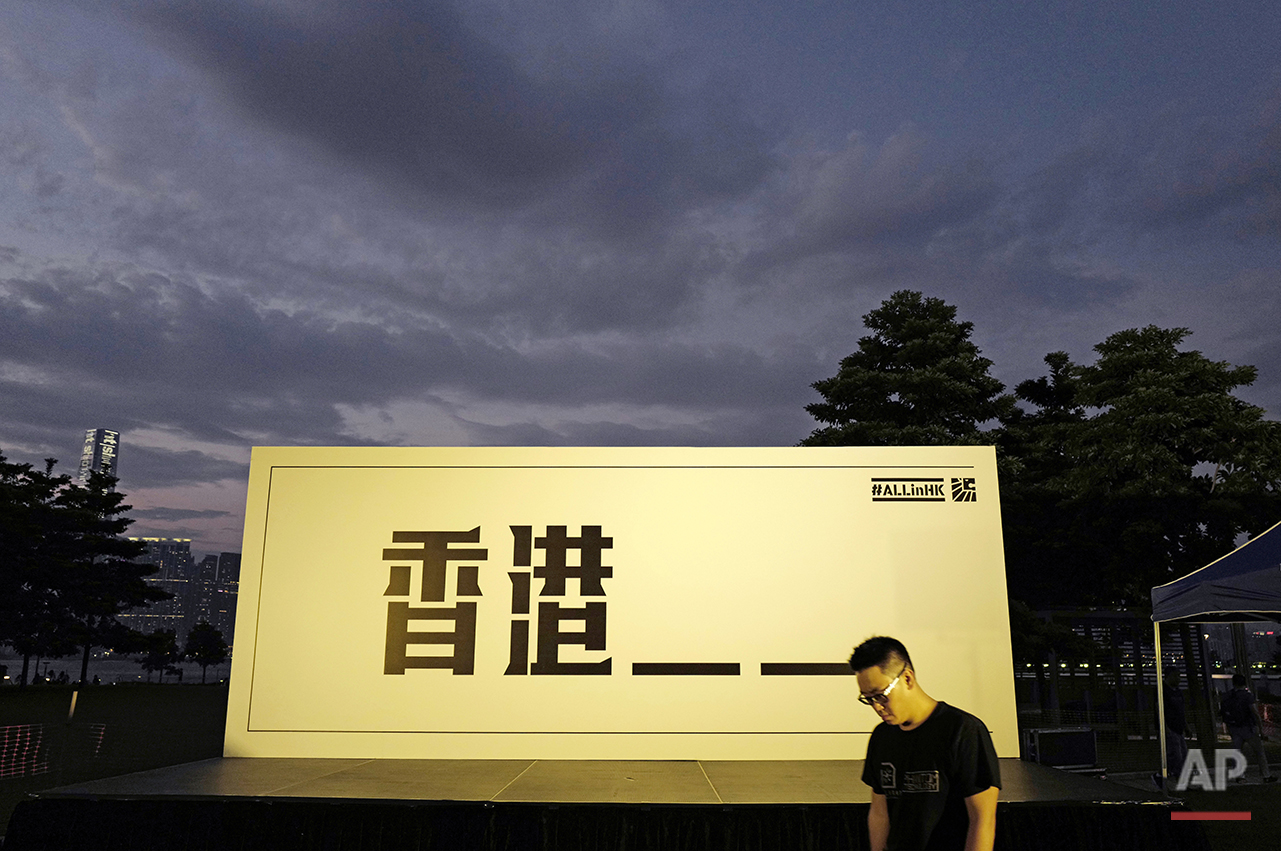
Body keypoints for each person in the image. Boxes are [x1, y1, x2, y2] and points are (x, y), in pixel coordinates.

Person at [851, 636, 1000, 851]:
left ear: (908, 679)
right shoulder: (882, 736)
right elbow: (879, 812)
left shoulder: (962, 730)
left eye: (880, 695)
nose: (877, 706)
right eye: (868, 699)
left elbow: (982, 820)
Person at [1220, 673, 1275, 783]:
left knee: (1237, 752)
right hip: (1248, 727)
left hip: (1234, 727)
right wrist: (1261, 729)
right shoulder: (1247, 696)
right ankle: (1266, 775)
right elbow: (1254, 713)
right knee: (1259, 752)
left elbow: (1223, 712)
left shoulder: (1228, 696)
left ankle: (1240, 776)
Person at [1154, 668, 1190, 789]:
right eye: (1176, 676)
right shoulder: (1163, 691)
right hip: (1170, 728)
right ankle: (1160, 775)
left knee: (1182, 756)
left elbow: (1181, 711)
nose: (1179, 679)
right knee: (1175, 755)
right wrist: (1165, 728)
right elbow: (1159, 709)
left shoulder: (1178, 692)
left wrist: (1185, 726)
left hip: (1178, 728)